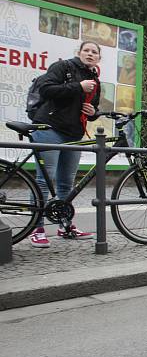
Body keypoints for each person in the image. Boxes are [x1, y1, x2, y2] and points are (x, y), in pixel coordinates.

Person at [28, 41, 102, 248]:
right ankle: (37, 228)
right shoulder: (63, 67)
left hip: (73, 133)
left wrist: (93, 113)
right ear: (78, 53)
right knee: (44, 180)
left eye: (94, 52)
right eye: (86, 50)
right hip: (49, 128)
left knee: (66, 184)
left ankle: (65, 224)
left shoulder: (95, 78)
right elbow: (46, 90)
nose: (90, 54)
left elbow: (93, 107)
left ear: (98, 58)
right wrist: (77, 87)